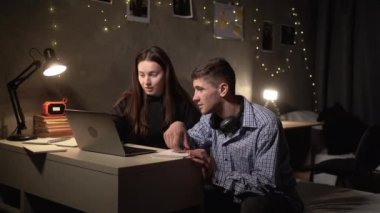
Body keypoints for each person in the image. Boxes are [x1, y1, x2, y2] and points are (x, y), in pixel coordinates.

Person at [164, 58, 304, 213]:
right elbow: (189, 144)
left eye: (200, 89)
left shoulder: (266, 122)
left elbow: (265, 184)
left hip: (275, 199)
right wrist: (178, 127)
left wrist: (214, 174)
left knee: (253, 205)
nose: (194, 97)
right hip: (231, 196)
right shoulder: (209, 119)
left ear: (223, 89)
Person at [113, 46, 200, 148]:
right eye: (141, 75)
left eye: (153, 75)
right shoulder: (126, 102)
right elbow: (112, 131)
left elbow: (197, 142)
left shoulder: (182, 104)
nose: (146, 82)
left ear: (166, 74)